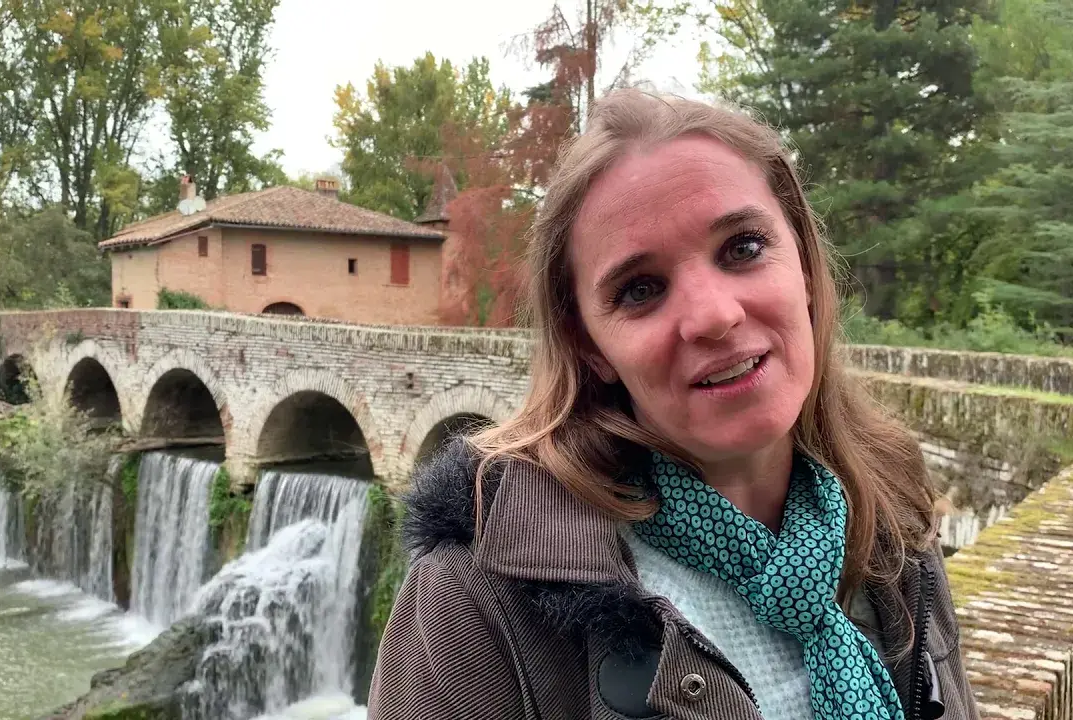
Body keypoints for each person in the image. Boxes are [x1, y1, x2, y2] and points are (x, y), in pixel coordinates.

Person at [368, 89, 979, 720]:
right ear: (590, 346)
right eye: (641, 289)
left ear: (801, 259)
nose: (714, 316)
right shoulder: (477, 595)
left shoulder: (893, 516)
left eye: (743, 247)